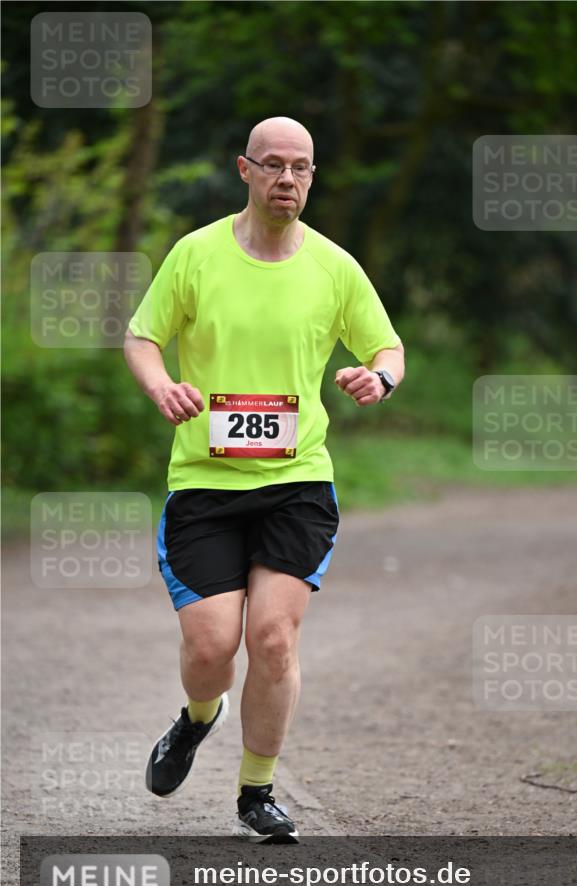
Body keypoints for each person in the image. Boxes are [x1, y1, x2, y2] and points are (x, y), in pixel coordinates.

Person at [124, 116, 404, 843]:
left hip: (298, 481)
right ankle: (196, 718)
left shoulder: (334, 267)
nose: (288, 179)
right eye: (273, 164)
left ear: (312, 177)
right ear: (243, 170)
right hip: (205, 483)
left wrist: (377, 378)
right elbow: (143, 336)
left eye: (302, 167)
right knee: (212, 648)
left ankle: (256, 791)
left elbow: (386, 345)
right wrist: (160, 388)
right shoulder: (195, 255)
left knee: (274, 640)